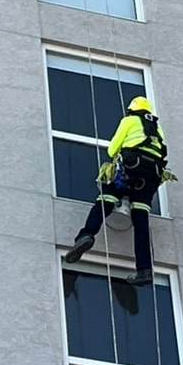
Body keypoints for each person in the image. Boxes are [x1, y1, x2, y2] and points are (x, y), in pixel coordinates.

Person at [64, 96, 169, 287]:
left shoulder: (129, 121)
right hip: (151, 177)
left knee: (106, 199)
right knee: (141, 222)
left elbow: (113, 149)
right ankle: (144, 270)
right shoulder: (158, 129)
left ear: (132, 110)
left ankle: (86, 235)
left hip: (131, 169)